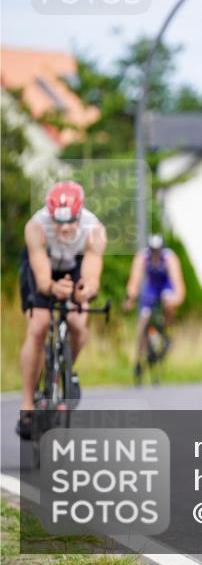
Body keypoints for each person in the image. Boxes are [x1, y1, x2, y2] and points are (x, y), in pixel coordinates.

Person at [17, 181, 107, 438]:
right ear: (50, 215)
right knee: (39, 325)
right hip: (41, 265)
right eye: (58, 221)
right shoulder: (36, 228)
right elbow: (43, 279)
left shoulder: (94, 230)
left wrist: (83, 292)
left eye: (71, 221)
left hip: (74, 266)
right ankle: (26, 407)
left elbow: (91, 277)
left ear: (80, 214)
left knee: (79, 323)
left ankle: (64, 370)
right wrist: (52, 288)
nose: (65, 227)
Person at [123, 233, 185, 379]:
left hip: (165, 286)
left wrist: (176, 299)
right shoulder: (142, 257)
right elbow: (134, 281)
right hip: (150, 288)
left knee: (167, 299)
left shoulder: (169, 258)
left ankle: (167, 331)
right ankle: (138, 359)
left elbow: (178, 284)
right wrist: (130, 299)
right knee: (143, 319)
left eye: (158, 252)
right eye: (153, 252)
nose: (156, 256)